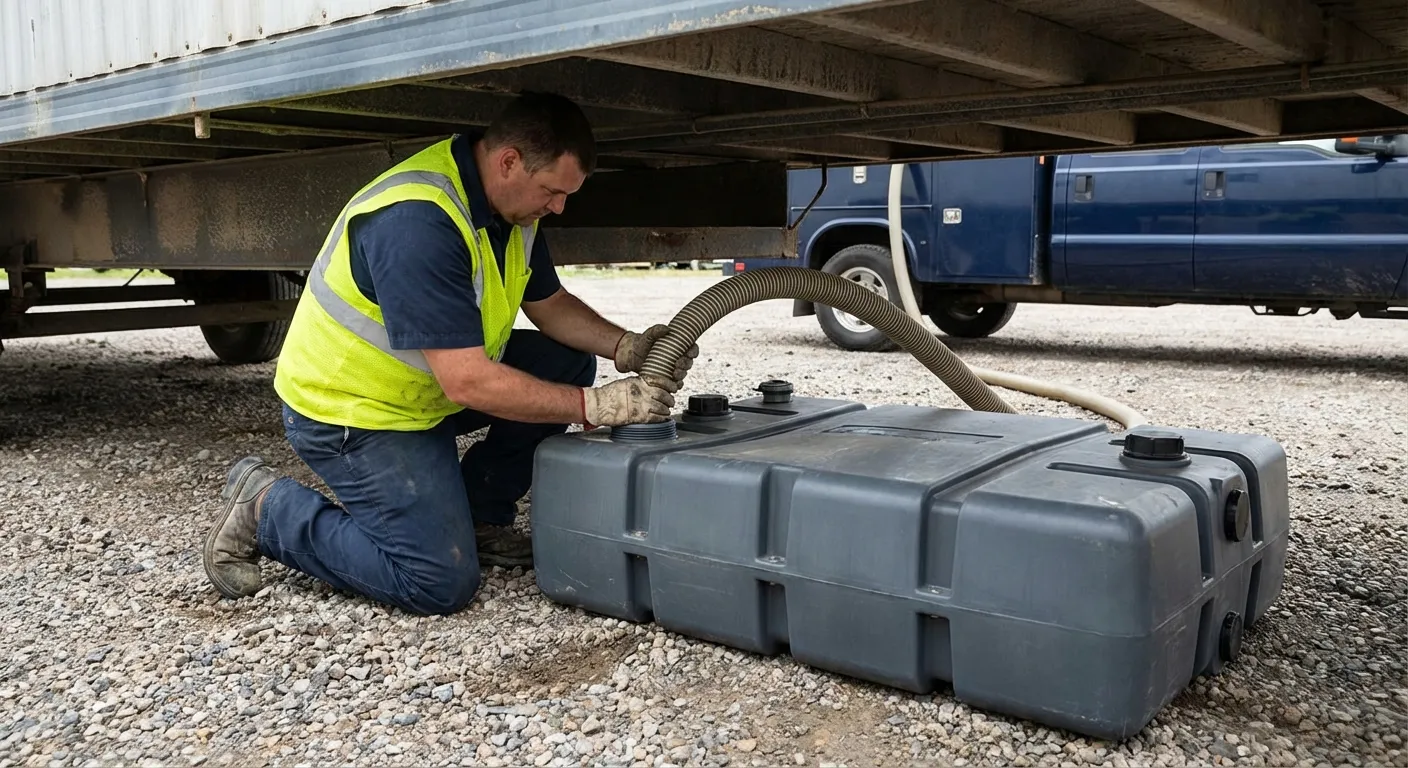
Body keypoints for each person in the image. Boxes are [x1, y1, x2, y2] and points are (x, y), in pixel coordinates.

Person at [201, 93, 697, 615]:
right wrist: (595, 406)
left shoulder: (510, 211)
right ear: (508, 161)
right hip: (354, 411)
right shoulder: (419, 222)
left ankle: (480, 513)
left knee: (565, 361)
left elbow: (549, 305)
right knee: (437, 581)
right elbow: (468, 382)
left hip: (423, 391)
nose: (559, 208)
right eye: (552, 191)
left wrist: (627, 347)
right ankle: (268, 508)